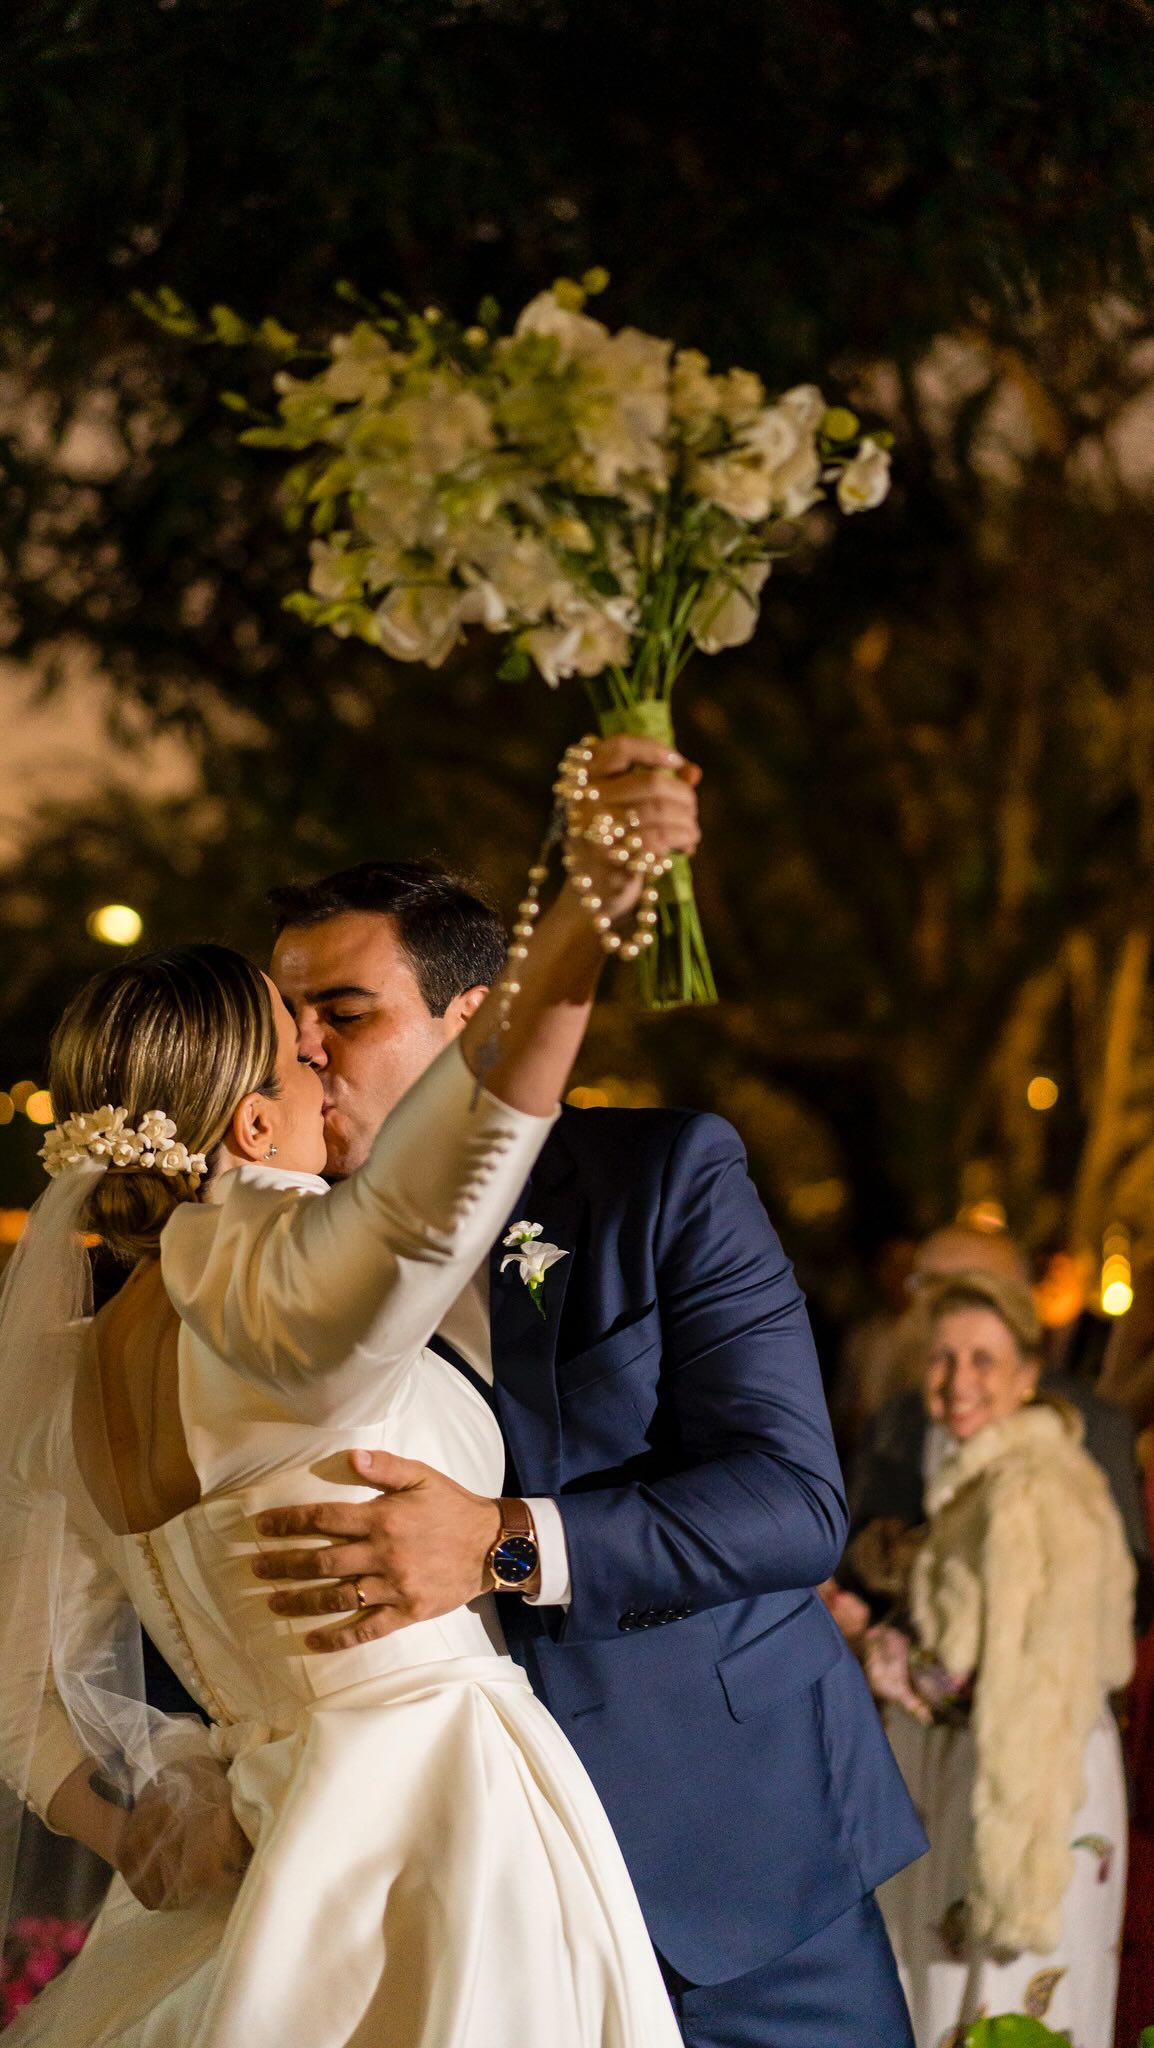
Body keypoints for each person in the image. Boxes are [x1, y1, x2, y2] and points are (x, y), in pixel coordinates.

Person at [0, 736, 697, 2048]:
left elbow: (13, 1690)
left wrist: (128, 1819)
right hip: (427, 1834)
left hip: (257, 1851)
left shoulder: (69, 1386)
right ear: (251, 1130)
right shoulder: (254, 1281)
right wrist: (581, 926)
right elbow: (444, 1196)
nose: (324, 1062)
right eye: (296, 1054)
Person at [241, 861, 927, 2046]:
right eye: (286, 1020)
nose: (305, 1051)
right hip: (459, 1890)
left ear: (472, 1026)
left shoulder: (656, 1180)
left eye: (343, 1014)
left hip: (720, 1852)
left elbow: (791, 1499)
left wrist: (500, 1542)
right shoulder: (266, 1261)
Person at [866, 1270, 1134, 2047]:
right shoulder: (993, 1474)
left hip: (1020, 1794)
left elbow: (1031, 1685)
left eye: (984, 1360)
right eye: (942, 1359)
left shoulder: (1028, 1490)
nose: (958, 1382)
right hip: (987, 1775)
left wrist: (890, 1658)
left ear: (1026, 1373)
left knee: (994, 2005)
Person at [847, 1223, 1153, 1628]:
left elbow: (1129, 1598)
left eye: (958, 1285)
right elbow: (848, 1560)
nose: (930, 1301)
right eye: (922, 1282)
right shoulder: (896, 1418)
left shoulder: (1088, 1427)